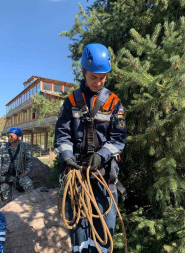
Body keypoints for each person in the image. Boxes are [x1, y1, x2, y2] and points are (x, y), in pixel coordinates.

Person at [54, 43, 127, 253]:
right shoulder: (70, 102)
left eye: (103, 77)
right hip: (76, 175)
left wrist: (102, 155)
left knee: (104, 230)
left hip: (104, 176)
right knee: (78, 229)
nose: (99, 82)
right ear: (84, 71)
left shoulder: (114, 103)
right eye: (94, 77)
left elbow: (118, 138)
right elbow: (63, 135)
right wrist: (67, 157)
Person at [0, 127, 33, 207]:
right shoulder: (3, 148)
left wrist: (26, 172)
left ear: (18, 136)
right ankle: (9, 211)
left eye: (11, 136)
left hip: (19, 175)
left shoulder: (25, 147)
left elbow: (30, 162)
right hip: (5, 176)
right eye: (8, 136)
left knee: (28, 184)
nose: (9, 137)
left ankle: (29, 205)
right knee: (5, 198)